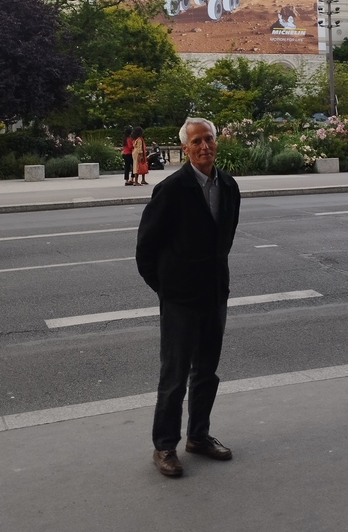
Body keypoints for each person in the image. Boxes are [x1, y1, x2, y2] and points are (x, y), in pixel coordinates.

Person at [136, 117, 241, 478]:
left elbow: (224, 240)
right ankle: (164, 445)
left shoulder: (228, 185)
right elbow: (146, 248)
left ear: (217, 142)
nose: (203, 146)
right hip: (180, 298)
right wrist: (166, 288)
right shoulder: (172, 189)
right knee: (175, 375)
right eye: (196, 141)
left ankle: (198, 436)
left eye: (208, 139)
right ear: (185, 147)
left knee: (207, 372)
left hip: (214, 293)